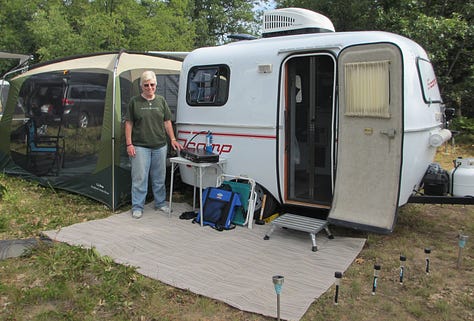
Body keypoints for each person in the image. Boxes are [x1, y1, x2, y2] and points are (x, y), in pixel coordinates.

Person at [125, 71, 183, 219]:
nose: (149, 88)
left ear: (156, 85)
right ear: (141, 87)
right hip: (140, 146)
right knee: (140, 178)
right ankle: (137, 207)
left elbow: (167, 122)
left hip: (160, 146)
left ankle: (160, 203)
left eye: (152, 85)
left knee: (159, 177)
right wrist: (129, 144)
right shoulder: (134, 102)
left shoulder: (161, 101)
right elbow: (129, 123)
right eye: (146, 85)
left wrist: (173, 139)